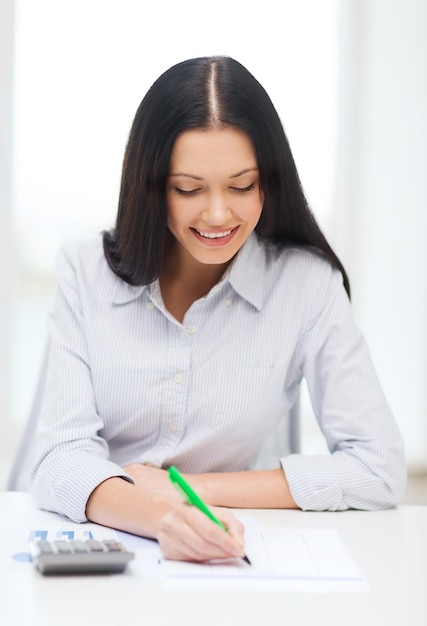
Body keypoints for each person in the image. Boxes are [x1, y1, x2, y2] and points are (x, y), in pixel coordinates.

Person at [29, 55, 406, 563]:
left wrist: (189, 491)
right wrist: (162, 518)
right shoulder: (84, 271)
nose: (217, 214)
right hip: (101, 550)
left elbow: (378, 468)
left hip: (231, 550)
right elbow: (60, 459)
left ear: (269, 182)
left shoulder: (308, 284)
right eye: (188, 189)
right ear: (152, 186)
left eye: (242, 186)